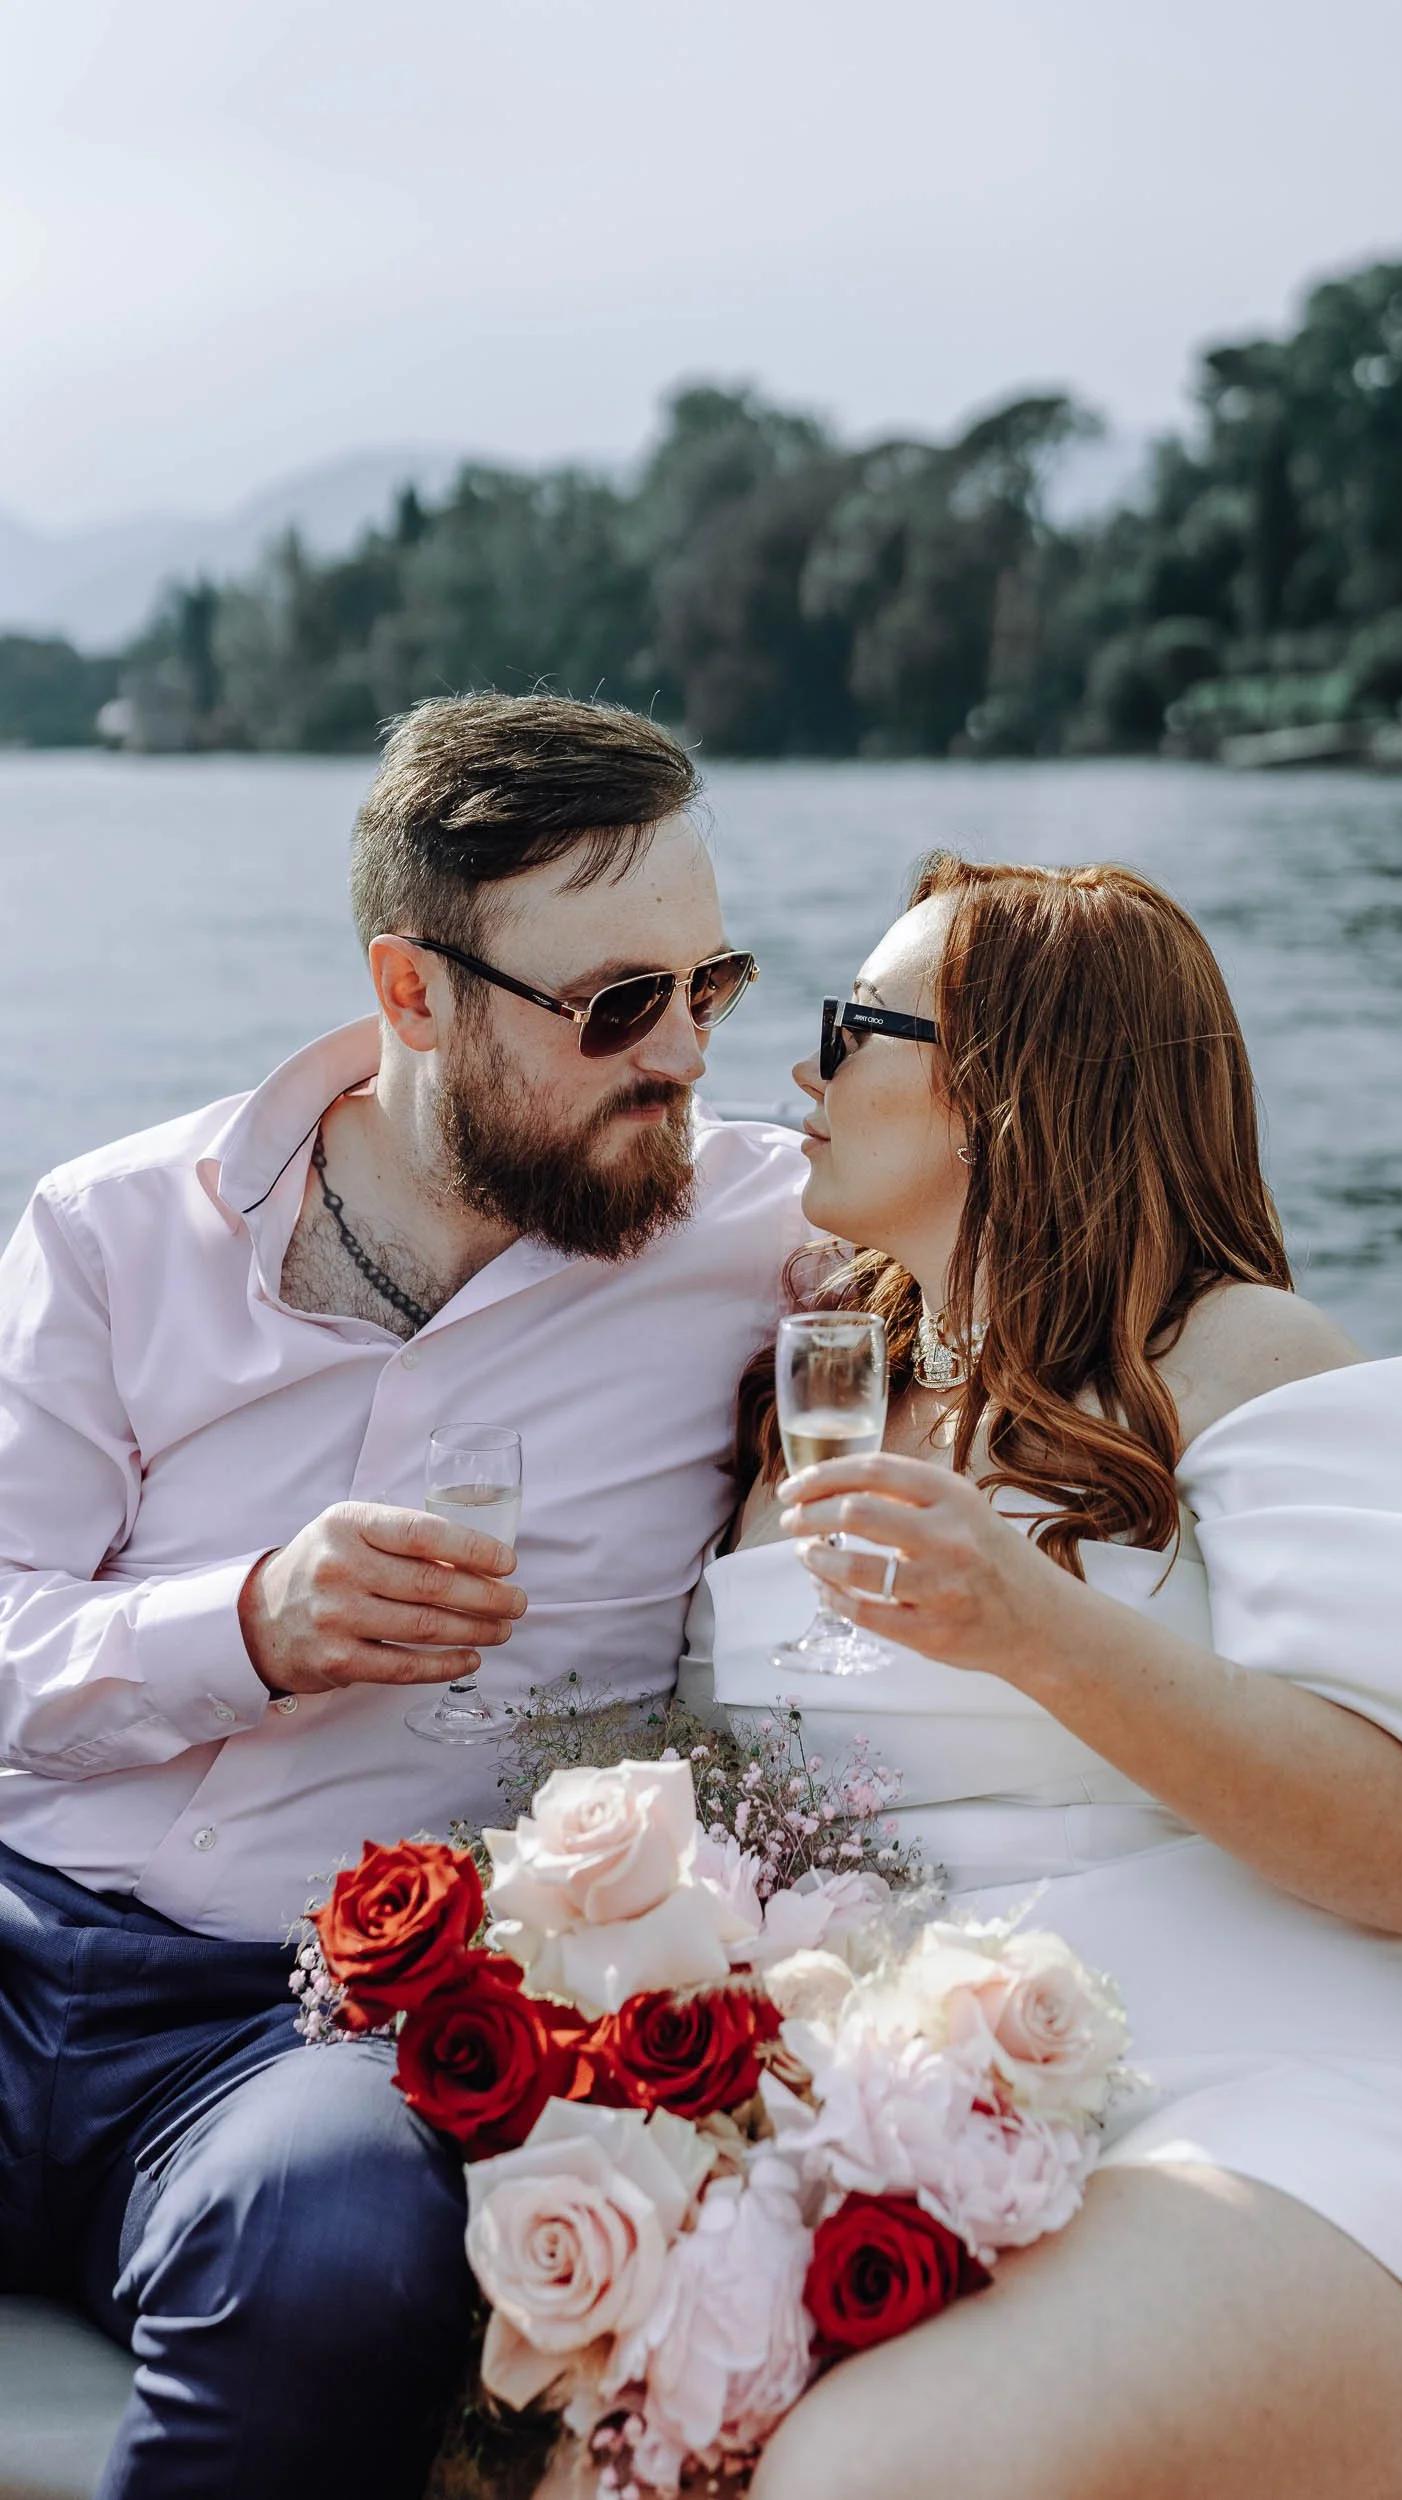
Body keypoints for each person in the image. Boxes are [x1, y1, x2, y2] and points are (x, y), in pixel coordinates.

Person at [683, 852, 1402, 2500]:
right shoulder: (810, 1396)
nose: (802, 1064)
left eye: (857, 1024)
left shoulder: (1232, 1359)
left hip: (1308, 2096)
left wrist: (1039, 1630)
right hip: (912, 2110)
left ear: (1008, 1087)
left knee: (871, 2482)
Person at [0, 694, 806, 2499]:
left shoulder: (767, 1238)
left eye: (711, 986)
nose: (680, 1054)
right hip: (17, 1921)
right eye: (615, 1006)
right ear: (413, 991)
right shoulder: (115, 1229)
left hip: (309, 2027)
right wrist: (249, 1627)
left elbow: (1116, 1248)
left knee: (343, 2256)